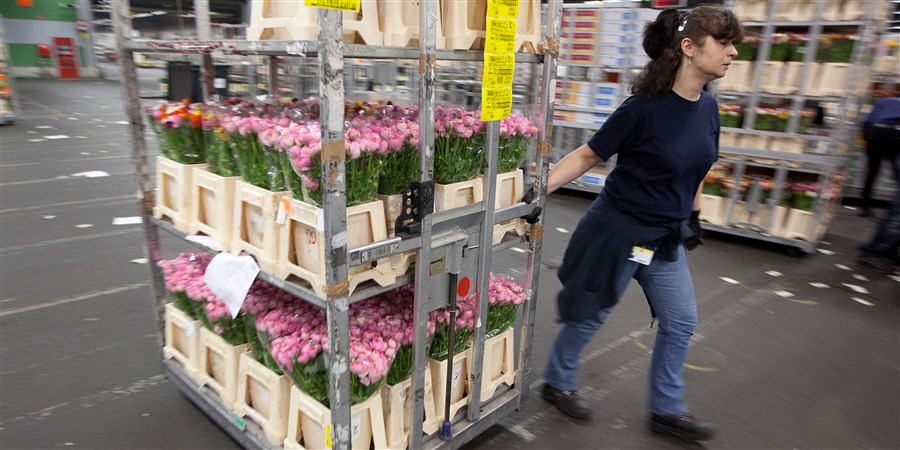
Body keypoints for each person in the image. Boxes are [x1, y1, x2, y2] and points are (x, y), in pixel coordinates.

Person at [539, 6, 742, 442]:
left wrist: (694, 215)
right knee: (591, 314)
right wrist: (535, 190)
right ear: (689, 48)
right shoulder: (642, 110)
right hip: (618, 229)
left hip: (664, 236)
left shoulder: (708, 109)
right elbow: (587, 155)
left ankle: (666, 409)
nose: (733, 51)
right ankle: (556, 382)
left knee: (681, 320)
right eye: (724, 43)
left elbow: (699, 166)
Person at [859, 96, 900, 217]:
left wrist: (867, 137)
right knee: (897, 172)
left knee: (872, 172)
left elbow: (869, 121)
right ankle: (897, 210)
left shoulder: (882, 101)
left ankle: (865, 207)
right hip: (896, 135)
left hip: (876, 134)